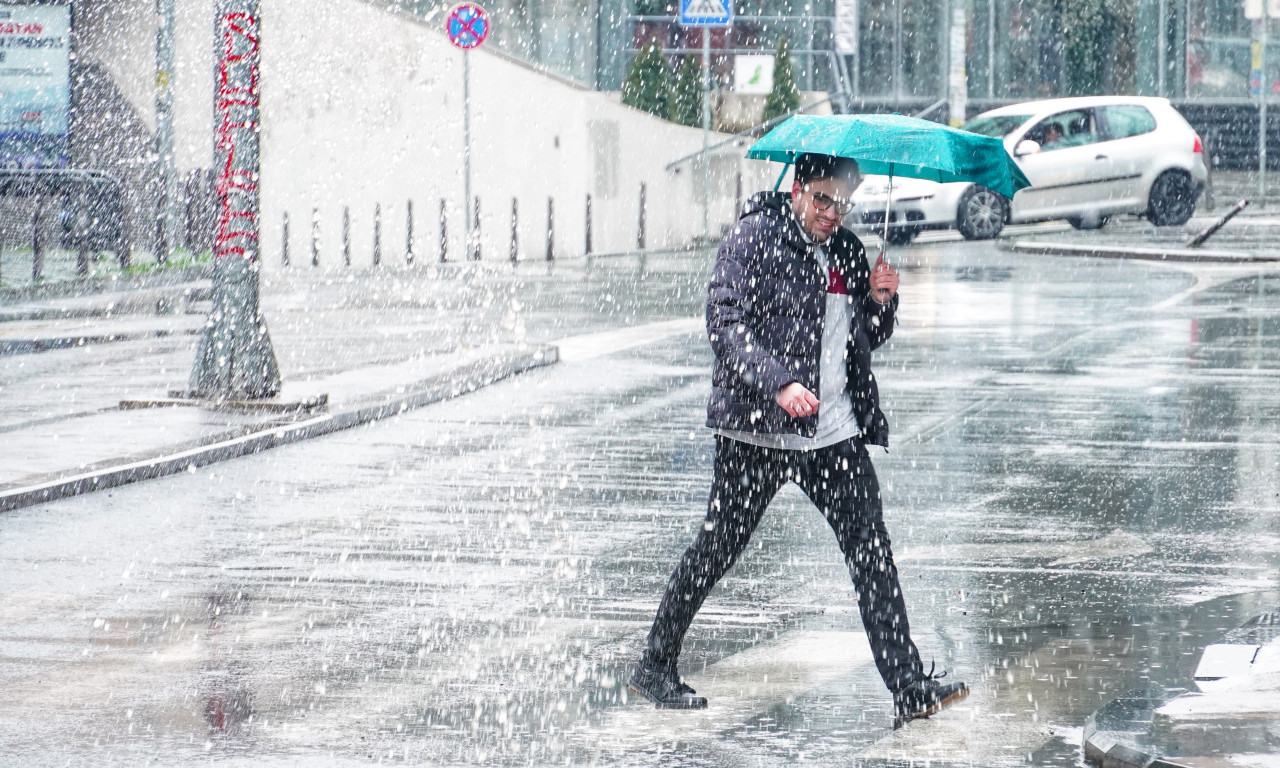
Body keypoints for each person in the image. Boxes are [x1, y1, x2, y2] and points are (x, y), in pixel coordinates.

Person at [628, 153, 968, 726]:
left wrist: (883, 302)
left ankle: (908, 686)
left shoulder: (848, 253)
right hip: (757, 434)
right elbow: (725, 324)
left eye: (843, 203)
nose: (833, 213)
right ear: (796, 191)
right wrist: (779, 383)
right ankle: (654, 665)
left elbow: (861, 339)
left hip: (832, 435)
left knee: (872, 553)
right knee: (717, 549)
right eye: (822, 200)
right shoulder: (753, 239)